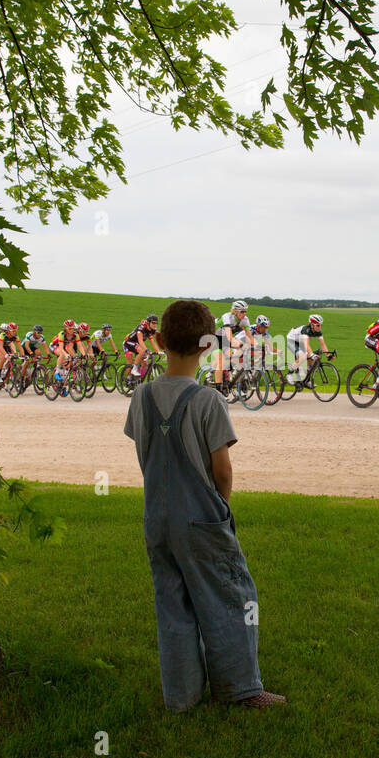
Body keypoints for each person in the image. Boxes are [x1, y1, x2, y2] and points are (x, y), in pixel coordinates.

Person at [123, 299, 285, 712]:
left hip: (156, 518)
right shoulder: (208, 401)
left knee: (172, 602)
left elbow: (144, 449)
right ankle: (241, 688)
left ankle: (181, 696)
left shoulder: (140, 398)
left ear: (158, 342)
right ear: (208, 345)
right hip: (201, 519)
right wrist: (222, 507)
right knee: (231, 597)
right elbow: (223, 470)